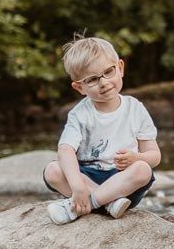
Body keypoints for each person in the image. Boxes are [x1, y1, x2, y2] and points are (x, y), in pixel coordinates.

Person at [44, 37, 161, 224]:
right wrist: (77, 187)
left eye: (108, 71)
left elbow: (154, 156)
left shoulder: (135, 109)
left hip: (122, 183)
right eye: (92, 80)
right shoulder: (79, 114)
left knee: (143, 169)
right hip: (88, 176)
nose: (104, 82)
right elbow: (65, 151)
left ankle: (85, 204)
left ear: (120, 68)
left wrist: (136, 157)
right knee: (52, 170)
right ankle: (107, 204)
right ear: (79, 87)